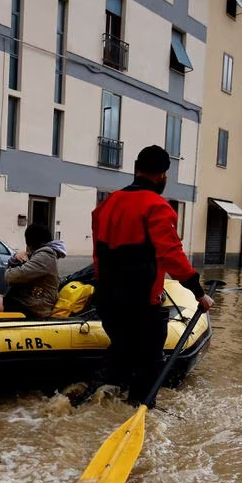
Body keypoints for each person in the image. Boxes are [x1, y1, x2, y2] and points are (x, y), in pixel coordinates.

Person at [91, 145, 213, 406]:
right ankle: (140, 411)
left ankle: (98, 399)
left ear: (136, 168)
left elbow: (97, 256)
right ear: (162, 176)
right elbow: (172, 254)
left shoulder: (106, 204)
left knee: (121, 351)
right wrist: (198, 292)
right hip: (140, 302)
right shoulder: (158, 207)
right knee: (148, 362)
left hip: (107, 300)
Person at [0, 223, 65, 319]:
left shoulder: (45, 256)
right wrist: (15, 259)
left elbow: (11, 277)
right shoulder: (40, 253)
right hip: (26, 300)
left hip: (34, 307)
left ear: (30, 241)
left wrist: (14, 265)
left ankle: (2, 330)